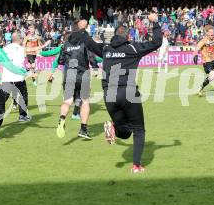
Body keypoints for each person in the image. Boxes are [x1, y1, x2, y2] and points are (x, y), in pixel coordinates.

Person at [102, 13, 162, 174]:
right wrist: (154, 22)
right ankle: (136, 165)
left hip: (109, 94)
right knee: (139, 130)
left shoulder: (105, 49)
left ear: (114, 35)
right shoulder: (132, 48)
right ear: (128, 35)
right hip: (128, 92)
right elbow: (157, 42)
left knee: (125, 133)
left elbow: (89, 44)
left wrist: (81, 32)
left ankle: (113, 126)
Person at [56, 19, 104, 140]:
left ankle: (62, 119)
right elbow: (91, 56)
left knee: (67, 101)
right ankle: (83, 128)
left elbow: (60, 60)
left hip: (69, 74)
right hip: (82, 74)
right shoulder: (84, 41)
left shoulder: (66, 43)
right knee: (85, 101)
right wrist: (95, 67)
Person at [2, 32, 36, 122]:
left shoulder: (5, 48)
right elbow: (21, 64)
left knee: (3, 96)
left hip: (6, 77)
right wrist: (30, 67)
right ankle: (22, 116)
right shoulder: (21, 49)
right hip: (18, 77)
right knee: (23, 95)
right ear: (20, 39)